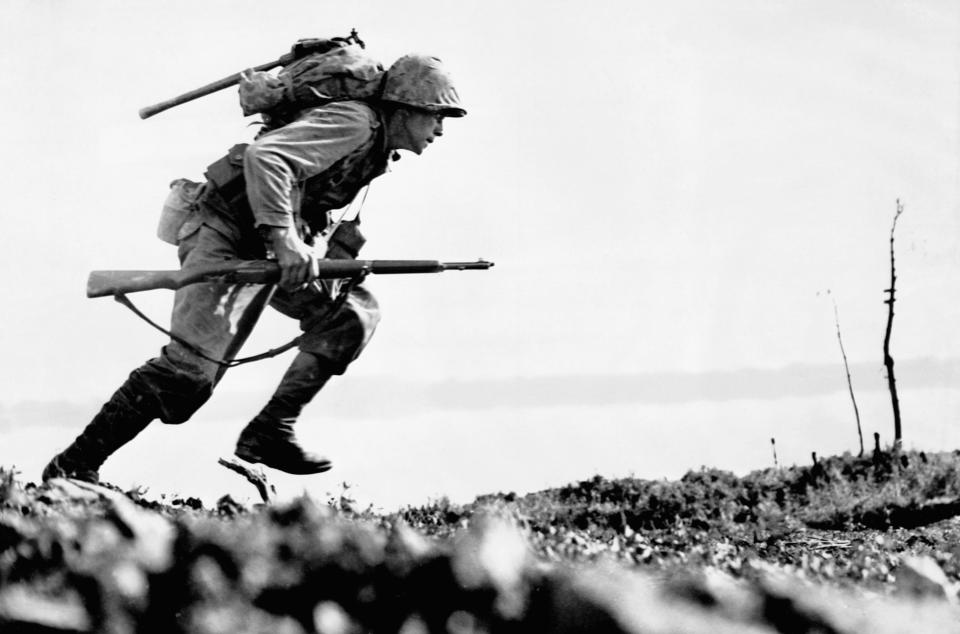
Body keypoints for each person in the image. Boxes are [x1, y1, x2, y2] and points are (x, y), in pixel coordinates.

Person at [41, 53, 466, 483]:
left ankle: (269, 431)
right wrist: (285, 241)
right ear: (405, 107)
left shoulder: (376, 147)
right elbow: (267, 159)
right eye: (436, 116)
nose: (440, 129)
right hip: (223, 229)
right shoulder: (356, 123)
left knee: (351, 314)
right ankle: (72, 466)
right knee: (187, 377)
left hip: (266, 243)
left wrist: (310, 248)